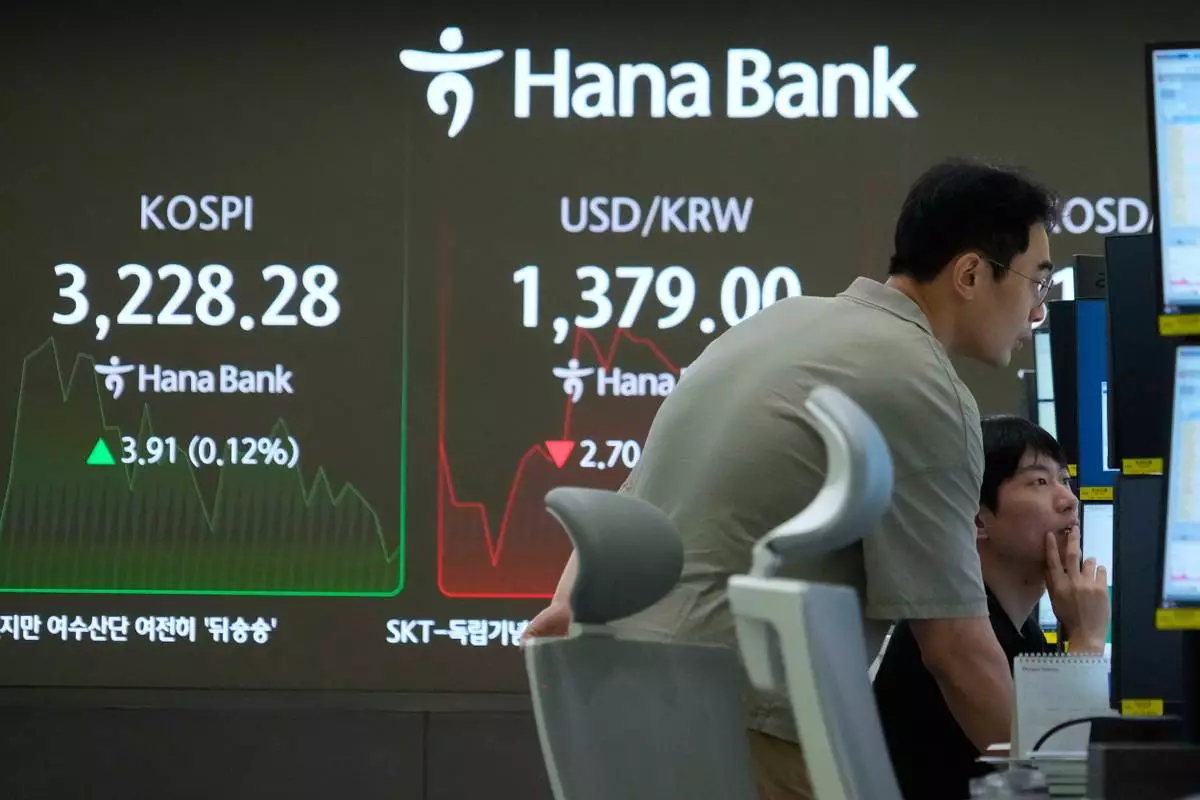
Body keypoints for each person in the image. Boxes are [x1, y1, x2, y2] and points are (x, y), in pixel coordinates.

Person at [524, 158, 1059, 799]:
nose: (1039, 313)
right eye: (1037, 284)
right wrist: (1059, 784)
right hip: (741, 727)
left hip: (626, 705)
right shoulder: (923, 383)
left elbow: (627, 512)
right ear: (971, 273)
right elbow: (956, 651)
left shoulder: (774, 325)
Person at [873, 415, 1110, 800]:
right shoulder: (962, 639)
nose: (1069, 499)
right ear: (978, 518)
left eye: (1064, 480)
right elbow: (1056, 785)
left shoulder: (1016, 628)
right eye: (1039, 481)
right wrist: (1086, 638)